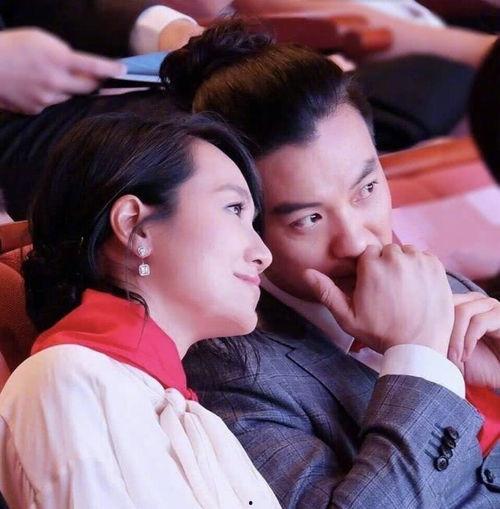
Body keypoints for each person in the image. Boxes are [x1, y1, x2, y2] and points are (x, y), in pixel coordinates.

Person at [159, 21, 500, 507]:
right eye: (309, 219)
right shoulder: (232, 375)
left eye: (367, 188)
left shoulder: (425, 278)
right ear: (242, 221)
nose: (358, 240)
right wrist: (418, 355)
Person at [0, 112, 282, 508]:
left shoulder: (195, 416)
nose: (263, 254)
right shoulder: (66, 379)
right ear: (136, 227)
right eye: (234, 208)